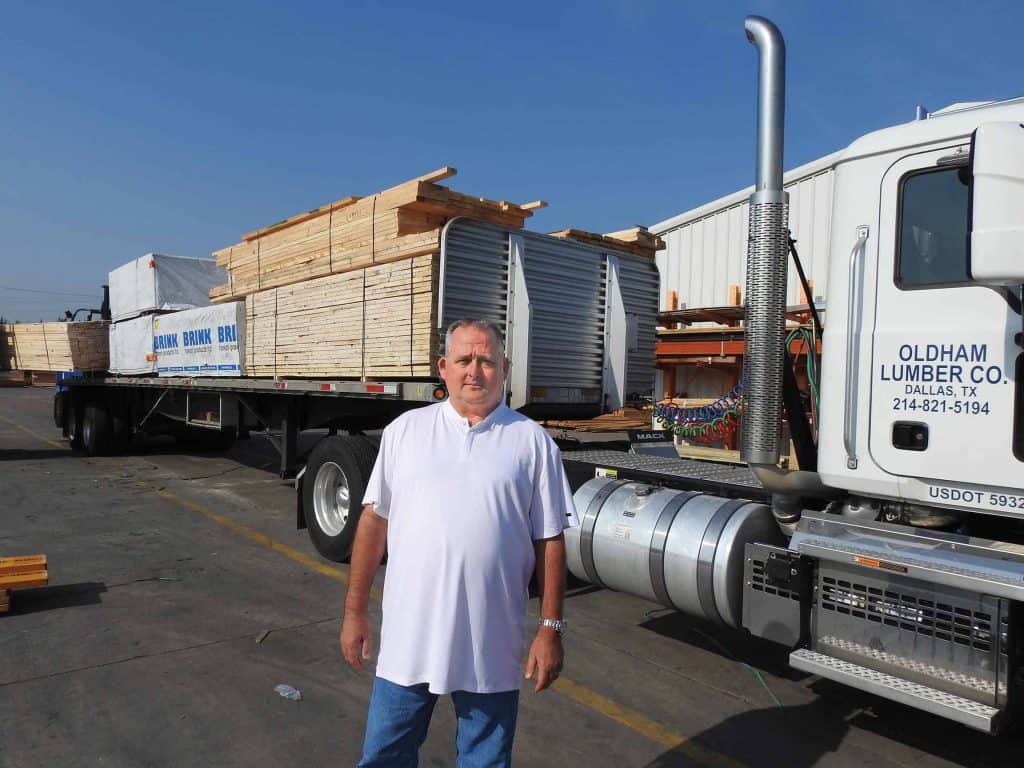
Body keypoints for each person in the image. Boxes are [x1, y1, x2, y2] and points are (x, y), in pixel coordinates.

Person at [340, 318, 578, 767]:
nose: (475, 371)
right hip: (408, 642)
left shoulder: (532, 443)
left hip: (491, 643)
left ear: (505, 368)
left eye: (487, 360)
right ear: (443, 368)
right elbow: (374, 522)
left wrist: (551, 630)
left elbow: (550, 540)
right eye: (465, 360)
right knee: (384, 756)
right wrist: (354, 611)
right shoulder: (405, 433)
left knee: (485, 761)